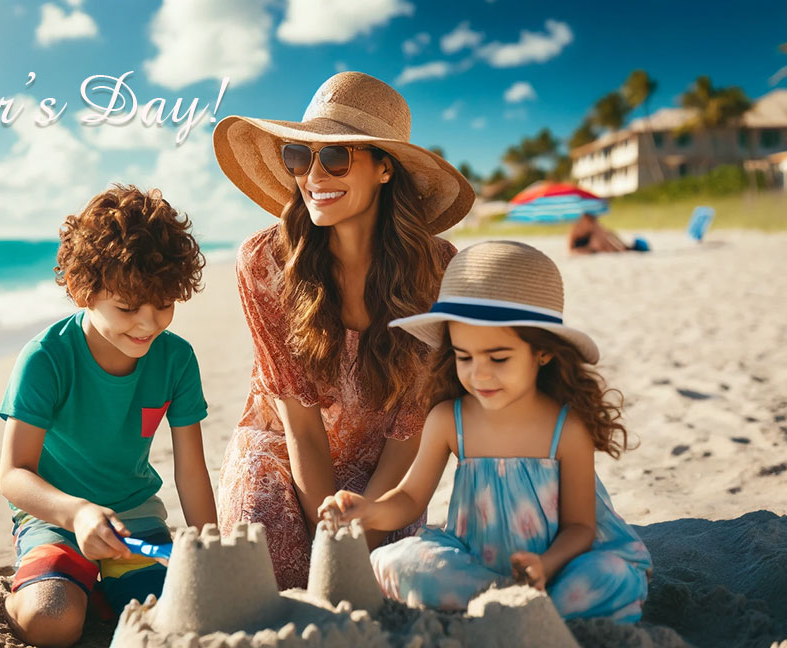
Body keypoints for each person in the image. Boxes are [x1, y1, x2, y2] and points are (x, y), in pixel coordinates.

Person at [211, 71, 475, 588]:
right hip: (281, 454)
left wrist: (363, 529)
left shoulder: (440, 270)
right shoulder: (263, 262)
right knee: (271, 574)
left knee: (383, 579)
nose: (314, 175)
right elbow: (300, 427)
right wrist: (329, 536)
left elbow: (411, 428)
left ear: (384, 168)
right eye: (299, 157)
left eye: (335, 157)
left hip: (384, 467)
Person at [318, 240, 651, 622]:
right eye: (464, 356)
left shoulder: (566, 427)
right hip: (475, 562)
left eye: (499, 357)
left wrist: (546, 564)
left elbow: (580, 527)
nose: (480, 374)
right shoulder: (449, 419)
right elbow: (410, 498)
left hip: (559, 566)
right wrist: (370, 511)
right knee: (397, 562)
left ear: (542, 352)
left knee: (603, 577)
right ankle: (505, 601)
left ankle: (513, 604)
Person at [0, 185, 218, 647]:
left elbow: (192, 470)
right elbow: (14, 473)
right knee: (51, 621)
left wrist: (208, 550)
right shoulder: (46, 358)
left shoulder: (176, 359)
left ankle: (100, 588)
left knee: (184, 614)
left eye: (163, 304)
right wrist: (75, 512)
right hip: (56, 521)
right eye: (126, 307)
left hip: (136, 523)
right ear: (82, 290)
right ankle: (39, 585)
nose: (148, 323)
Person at [568, 212, 649, 254]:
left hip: (590, 246)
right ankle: (623, 248)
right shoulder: (583, 226)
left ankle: (622, 247)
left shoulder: (591, 225)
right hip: (586, 247)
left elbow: (608, 235)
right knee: (602, 234)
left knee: (605, 234)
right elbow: (571, 249)